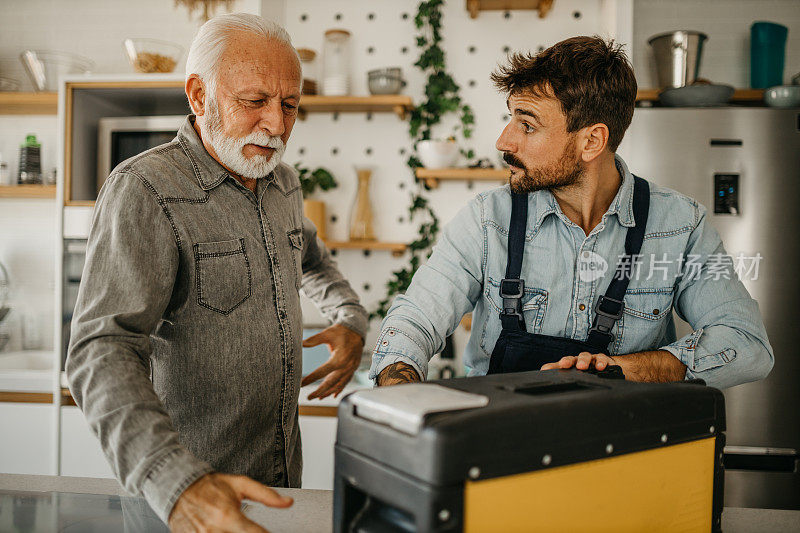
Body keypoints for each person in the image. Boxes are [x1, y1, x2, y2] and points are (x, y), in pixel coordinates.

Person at [67, 13, 368, 531]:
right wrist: (177, 485)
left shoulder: (284, 182)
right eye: (254, 102)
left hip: (279, 489)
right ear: (199, 96)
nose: (276, 124)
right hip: (184, 505)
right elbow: (100, 351)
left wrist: (351, 318)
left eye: (290, 105)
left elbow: (313, 260)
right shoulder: (145, 189)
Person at [370, 36, 773, 389]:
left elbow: (746, 343)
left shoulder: (681, 227)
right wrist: (397, 382)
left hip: (626, 461)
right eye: (510, 117)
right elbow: (416, 320)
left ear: (592, 141)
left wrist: (623, 369)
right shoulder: (486, 220)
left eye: (527, 126)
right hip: (501, 457)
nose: (503, 140)